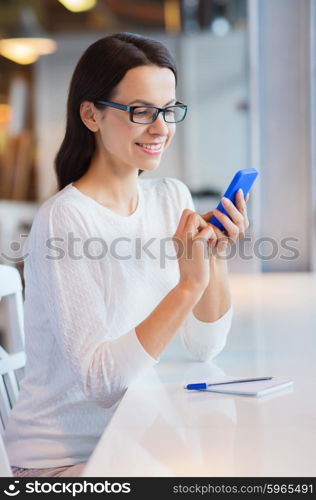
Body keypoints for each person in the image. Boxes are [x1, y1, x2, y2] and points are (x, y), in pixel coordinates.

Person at [4, 32, 249, 477]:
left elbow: (205, 347)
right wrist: (188, 285)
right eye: (140, 111)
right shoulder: (64, 220)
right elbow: (101, 382)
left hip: (139, 443)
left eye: (169, 110)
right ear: (91, 114)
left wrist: (214, 258)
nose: (161, 128)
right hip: (66, 462)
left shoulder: (172, 197)